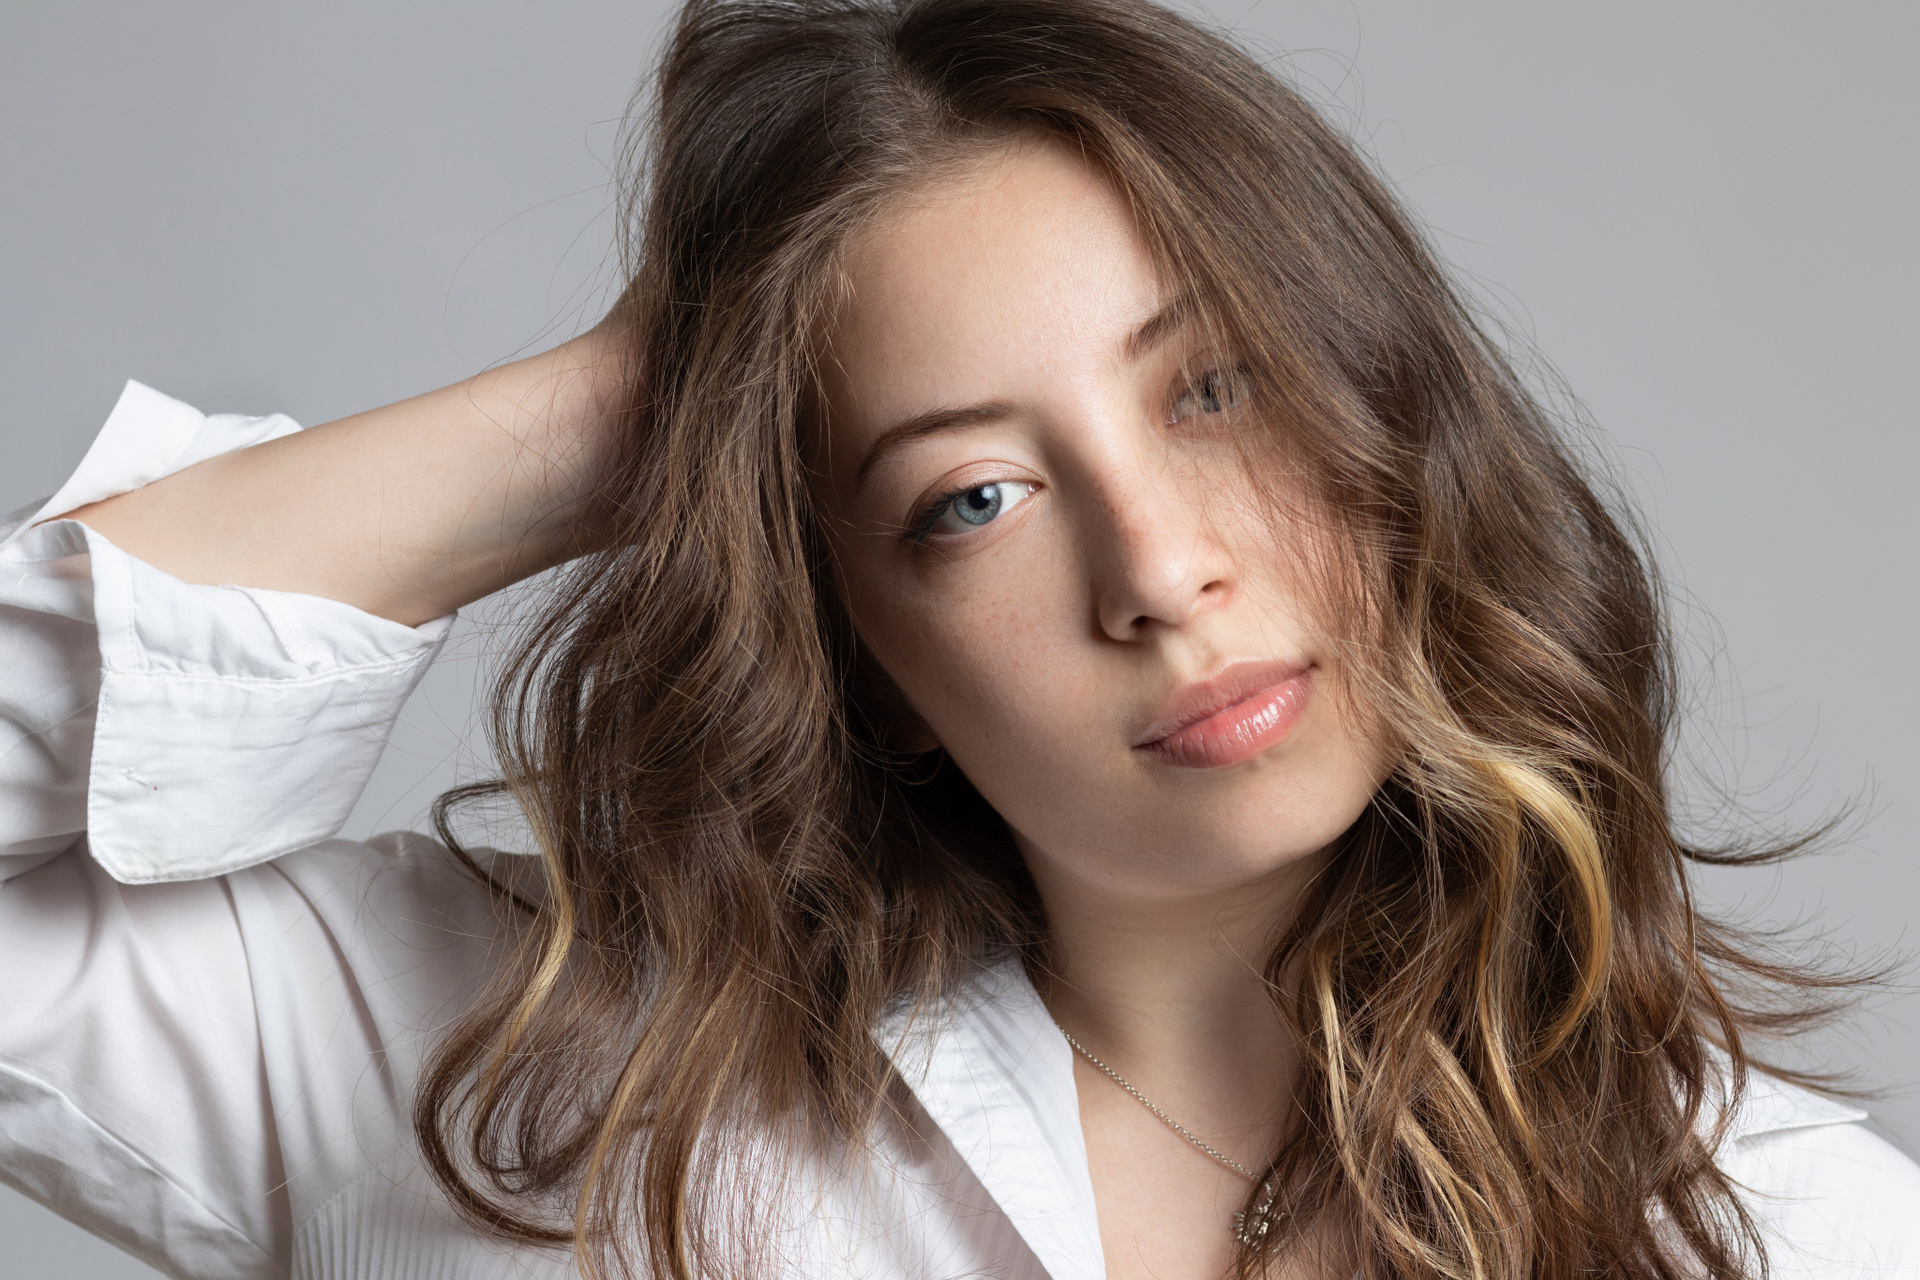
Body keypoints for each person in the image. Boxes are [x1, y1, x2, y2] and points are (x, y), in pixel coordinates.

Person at [1, 0, 1915, 1276]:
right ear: (864, 659)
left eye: (1217, 389)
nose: (1158, 571)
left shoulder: (1787, 1231)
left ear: (1394, 424)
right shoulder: (528, 1074)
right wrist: (627, 410)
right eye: (972, 497)